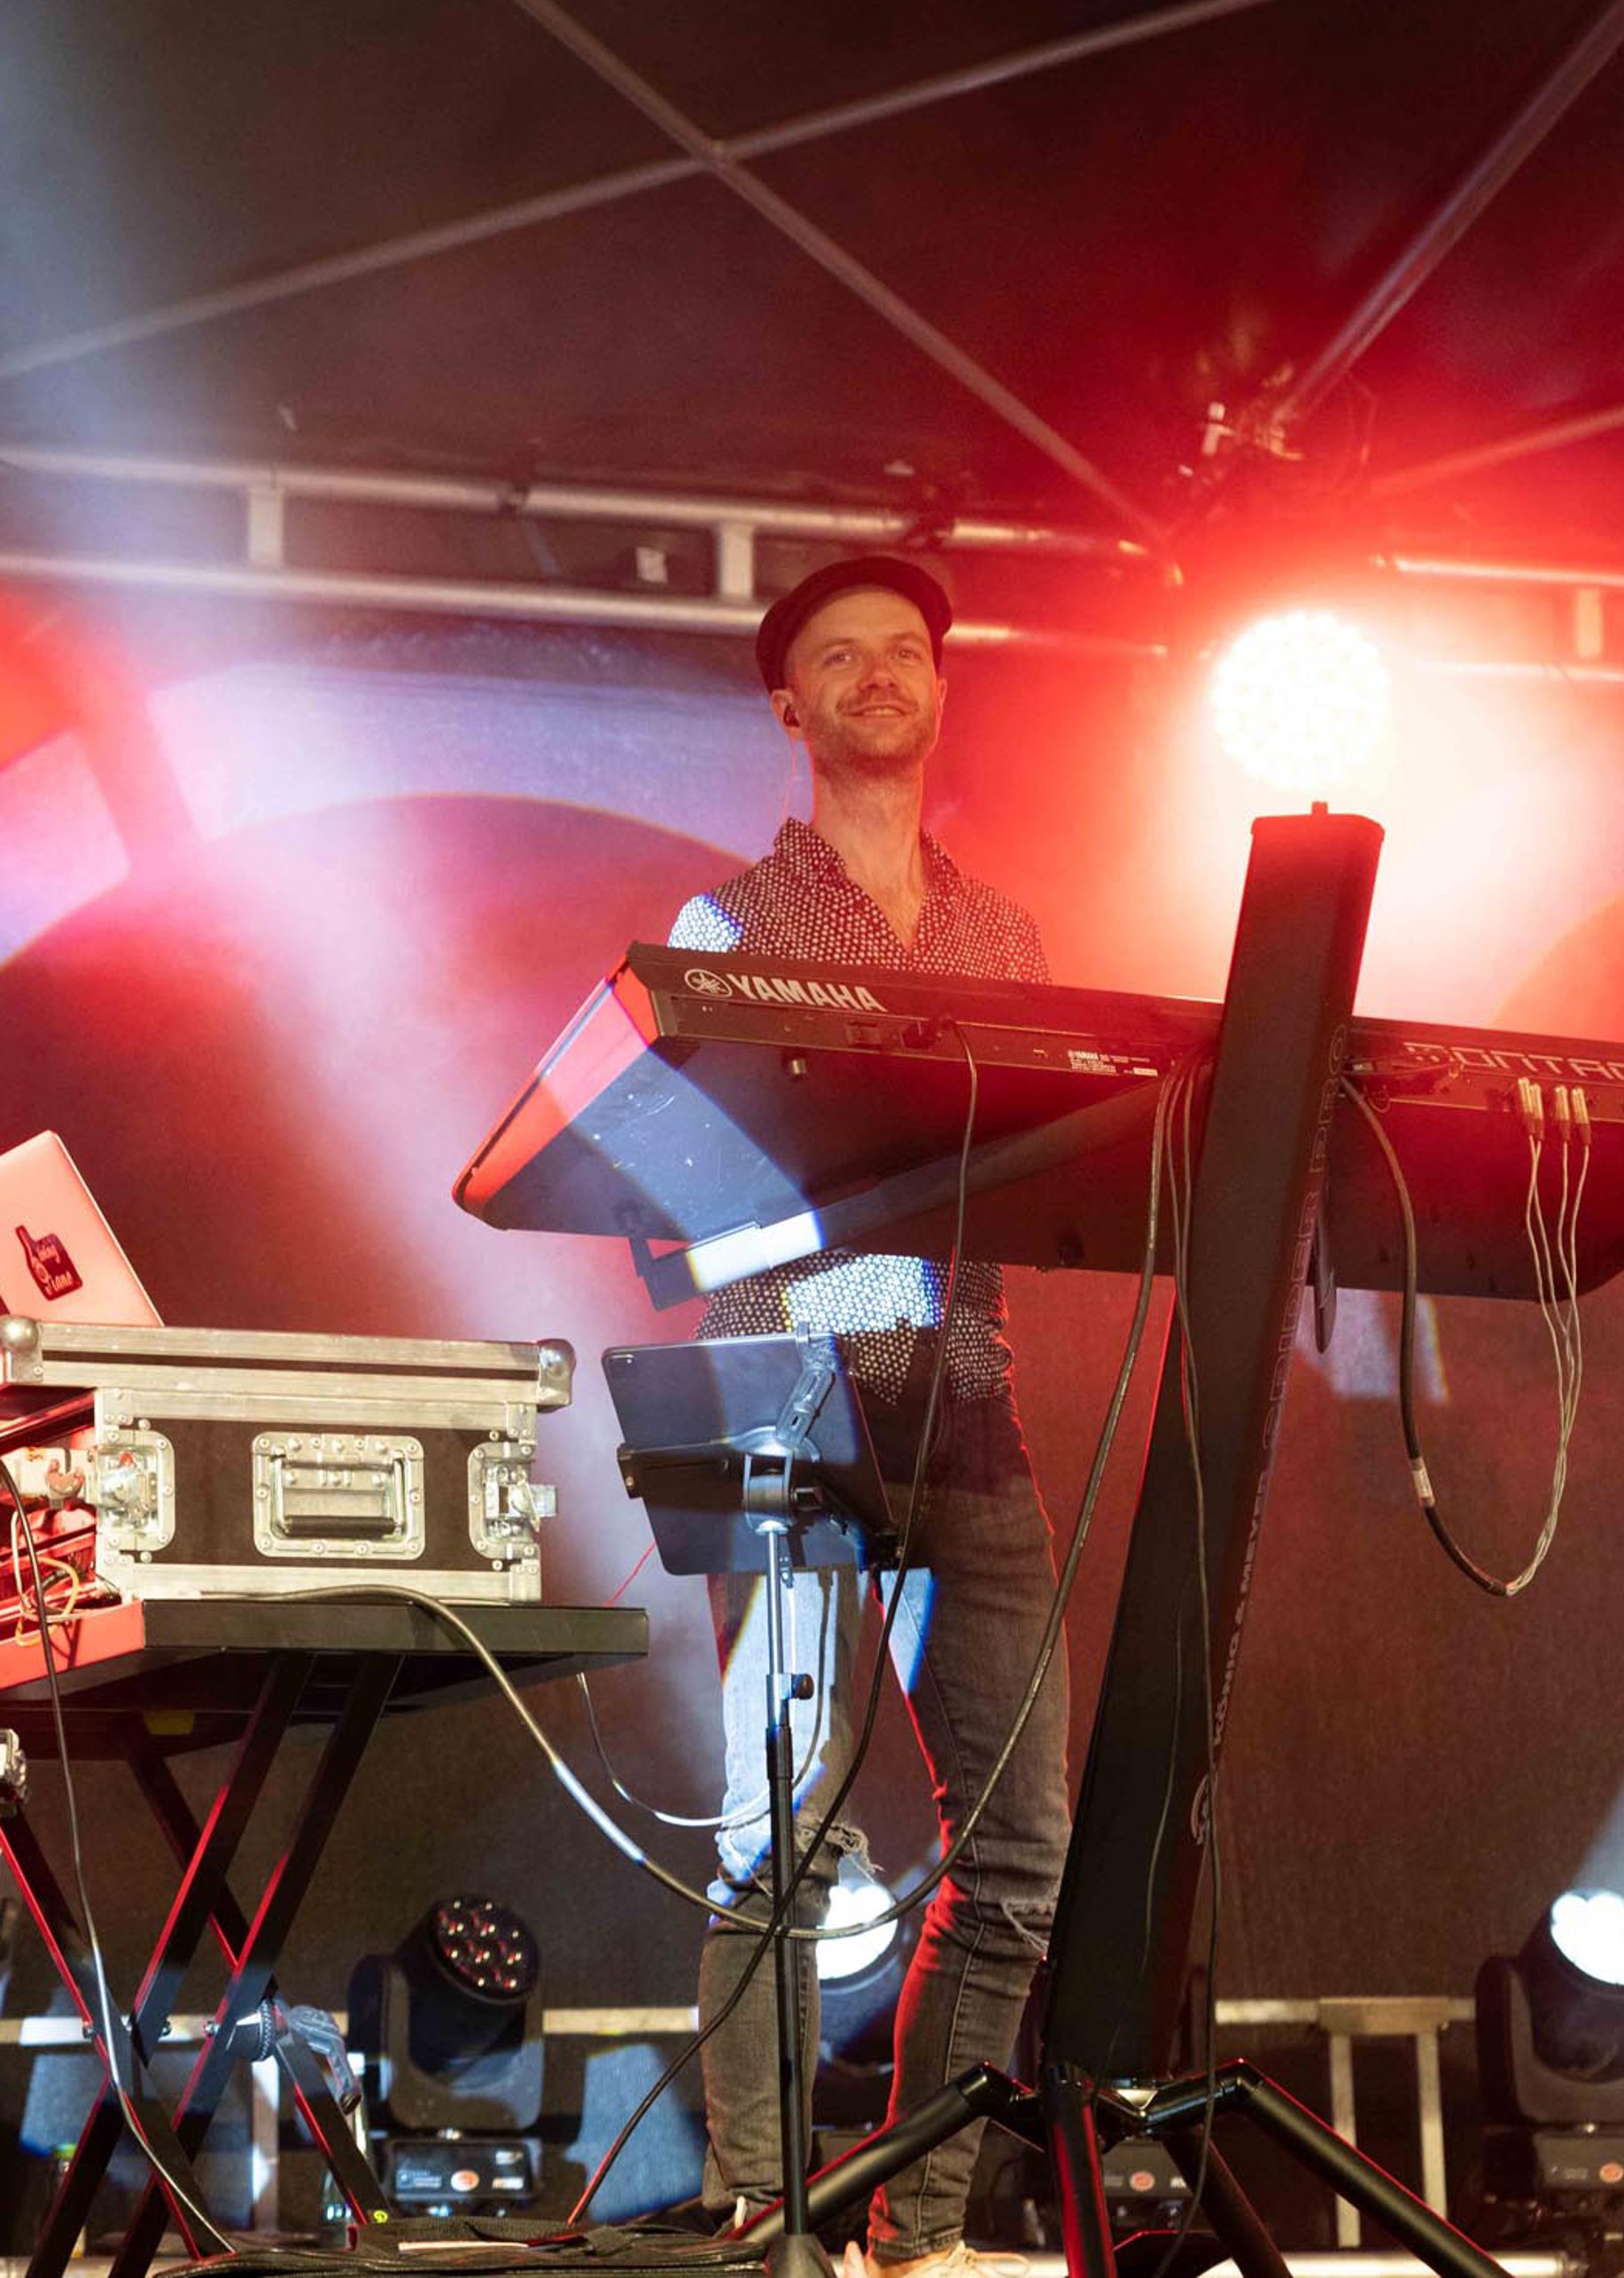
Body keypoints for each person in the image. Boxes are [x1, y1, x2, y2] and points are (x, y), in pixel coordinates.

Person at [667, 555, 1072, 2278]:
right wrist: (883, 1281)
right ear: (790, 705)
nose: (881, 676)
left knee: (1028, 1857)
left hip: (970, 1424)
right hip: (786, 1416)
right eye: (842, 657)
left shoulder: (1005, 934)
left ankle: (916, 2229)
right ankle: (766, 2223)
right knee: (784, 1844)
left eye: (907, 652)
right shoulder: (723, 925)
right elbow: (698, 1226)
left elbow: (1043, 1174)